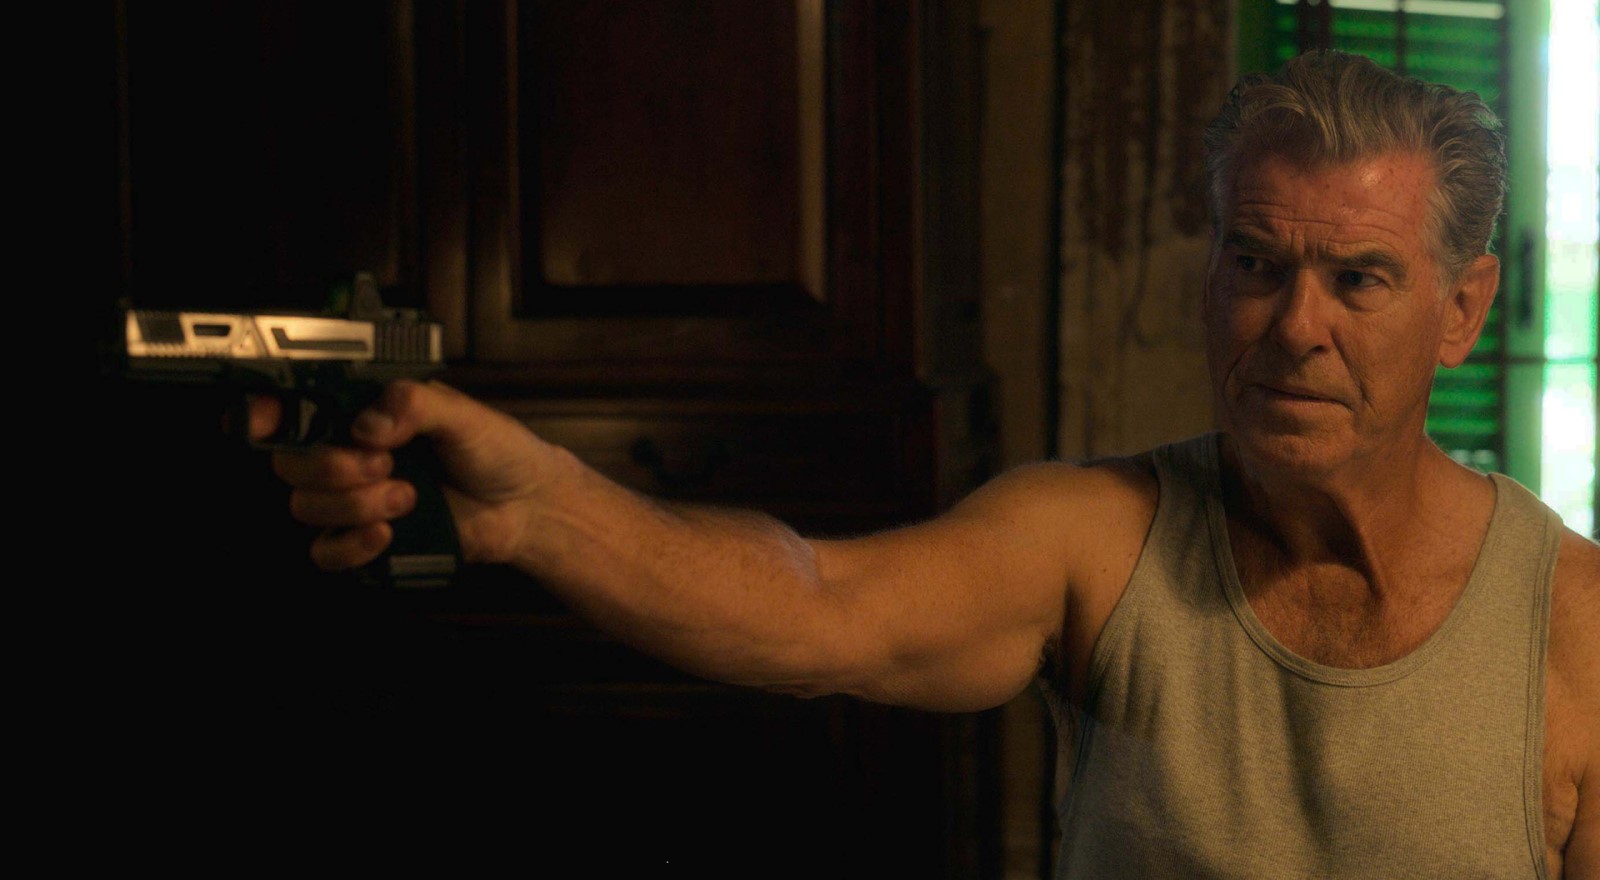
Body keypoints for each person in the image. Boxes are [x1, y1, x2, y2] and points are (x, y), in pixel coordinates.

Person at [252, 51, 1597, 877]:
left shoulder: (1577, 626)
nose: (1294, 325)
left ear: (1463, 312)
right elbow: (812, 606)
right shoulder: (1098, 537)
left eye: (1359, 278)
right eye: (1255, 263)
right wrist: (535, 510)